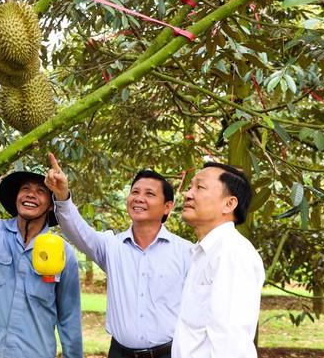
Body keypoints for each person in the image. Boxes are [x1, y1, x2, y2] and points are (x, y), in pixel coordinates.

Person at [45, 153, 193, 358]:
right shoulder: (112, 246)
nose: (139, 198)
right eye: (135, 192)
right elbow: (78, 231)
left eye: (150, 194)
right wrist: (62, 196)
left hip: (169, 353)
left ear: (167, 206)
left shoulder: (186, 252)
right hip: (119, 353)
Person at [0, 167, 83, 358]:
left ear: (50, 205)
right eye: (25, 189)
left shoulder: (64, 253)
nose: (31, 195)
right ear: (16, 197)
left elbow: (69, 317)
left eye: (41, 191)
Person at [172, 162, 265, 358]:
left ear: (229, 204)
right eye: (189, 187)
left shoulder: (231, 253)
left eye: (200, 187)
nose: (188, 194)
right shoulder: (204, 252)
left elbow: (230, 343)